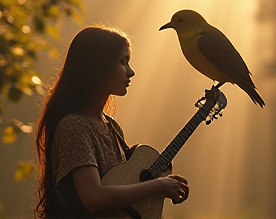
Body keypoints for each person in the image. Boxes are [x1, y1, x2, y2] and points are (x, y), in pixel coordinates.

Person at [35, 24, 189, 219]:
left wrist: (165, 185)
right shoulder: (74, 127)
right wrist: (157, 186)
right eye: (123, 62)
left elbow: (121, 188)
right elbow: (94, 198)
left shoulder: (111, 127)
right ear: (98, 66)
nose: (131, 71)